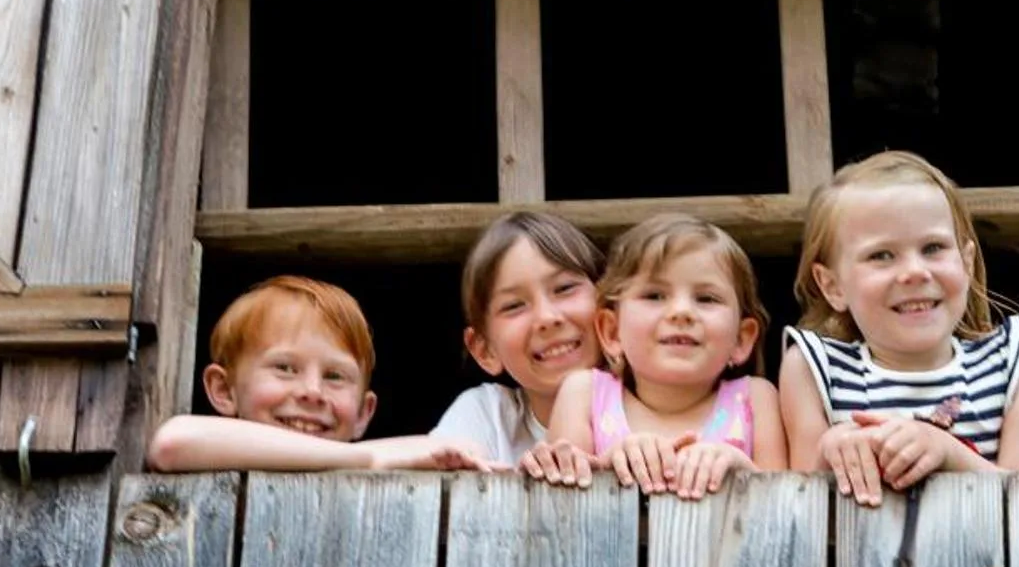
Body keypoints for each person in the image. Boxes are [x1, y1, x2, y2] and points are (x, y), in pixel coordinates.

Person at [781, 150, 1019, 504]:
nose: (915, 272)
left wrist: (947, 451)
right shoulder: (814, 369)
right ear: (832, 286)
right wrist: (828, 453)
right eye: (881, 255)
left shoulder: (1016, 358)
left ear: (967, 262)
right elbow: (800, 507)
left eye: (933, 247)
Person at [527, 215, 785, 497]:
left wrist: (743, 471)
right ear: (612, 332)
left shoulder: (755, 399)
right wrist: (609, 466)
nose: (681, 311)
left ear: (741, 339)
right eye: (655, 296)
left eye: (706, 298)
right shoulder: (584, 395)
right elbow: (558, 501)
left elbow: (788, 503)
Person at [146, 275, 495, 471]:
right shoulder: (204, 448)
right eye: (285, 368)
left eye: (335, 376)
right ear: (223, 389)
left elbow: (464, 448)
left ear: (364, 413)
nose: (312, 391)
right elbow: (172, 443)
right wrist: (370, 458)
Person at [431, 210, 605, 463]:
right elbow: (429, 456)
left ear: (610, 308)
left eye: (564, 288)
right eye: (514, 306)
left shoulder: (651, 400)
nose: (547, 317)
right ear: (485, 350)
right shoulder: (489, 415)